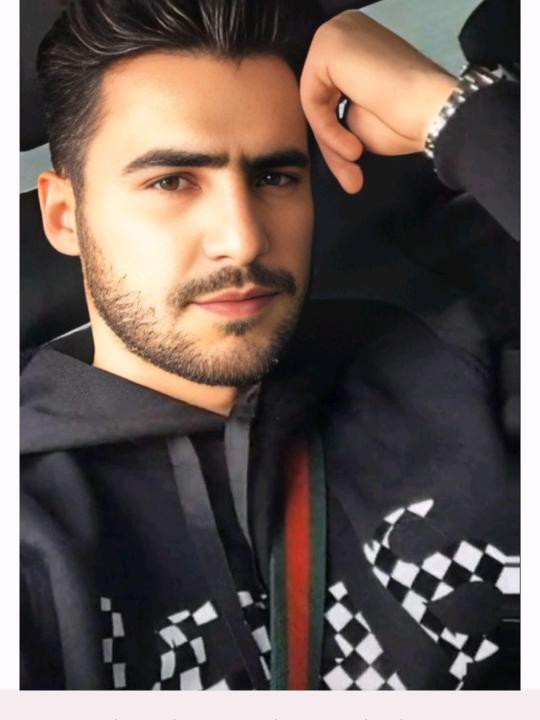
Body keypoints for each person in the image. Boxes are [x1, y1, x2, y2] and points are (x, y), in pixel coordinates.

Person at [21, 0, 519, 691]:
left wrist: (456, 115)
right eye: (172, 181)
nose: (245, 239)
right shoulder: (31, 533)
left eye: (275, 177)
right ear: (64, 216)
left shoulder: (452, 370)